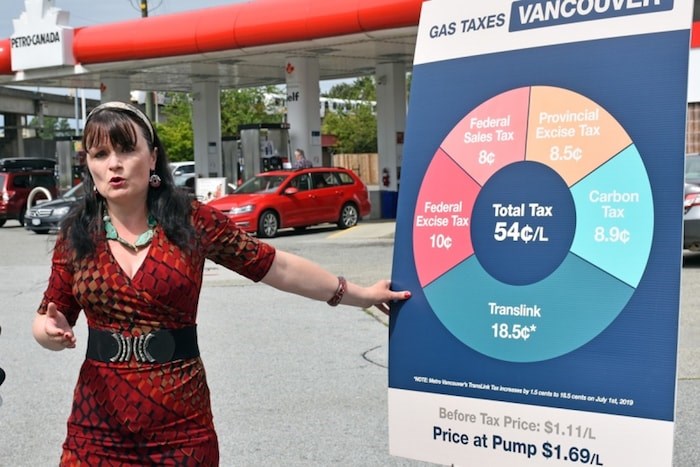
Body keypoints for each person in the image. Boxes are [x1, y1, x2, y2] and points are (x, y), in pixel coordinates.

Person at [32, 101, 410, 465]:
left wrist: (359, 294)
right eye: (100, 154)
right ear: (89, 165)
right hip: (97, 424)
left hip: (180, 423)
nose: (113, 164)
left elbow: (274, 266)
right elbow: (48, 315)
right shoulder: (77, 234)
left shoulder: (192, 221)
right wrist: (49, 332)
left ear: (152, 157)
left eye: (127, 150)